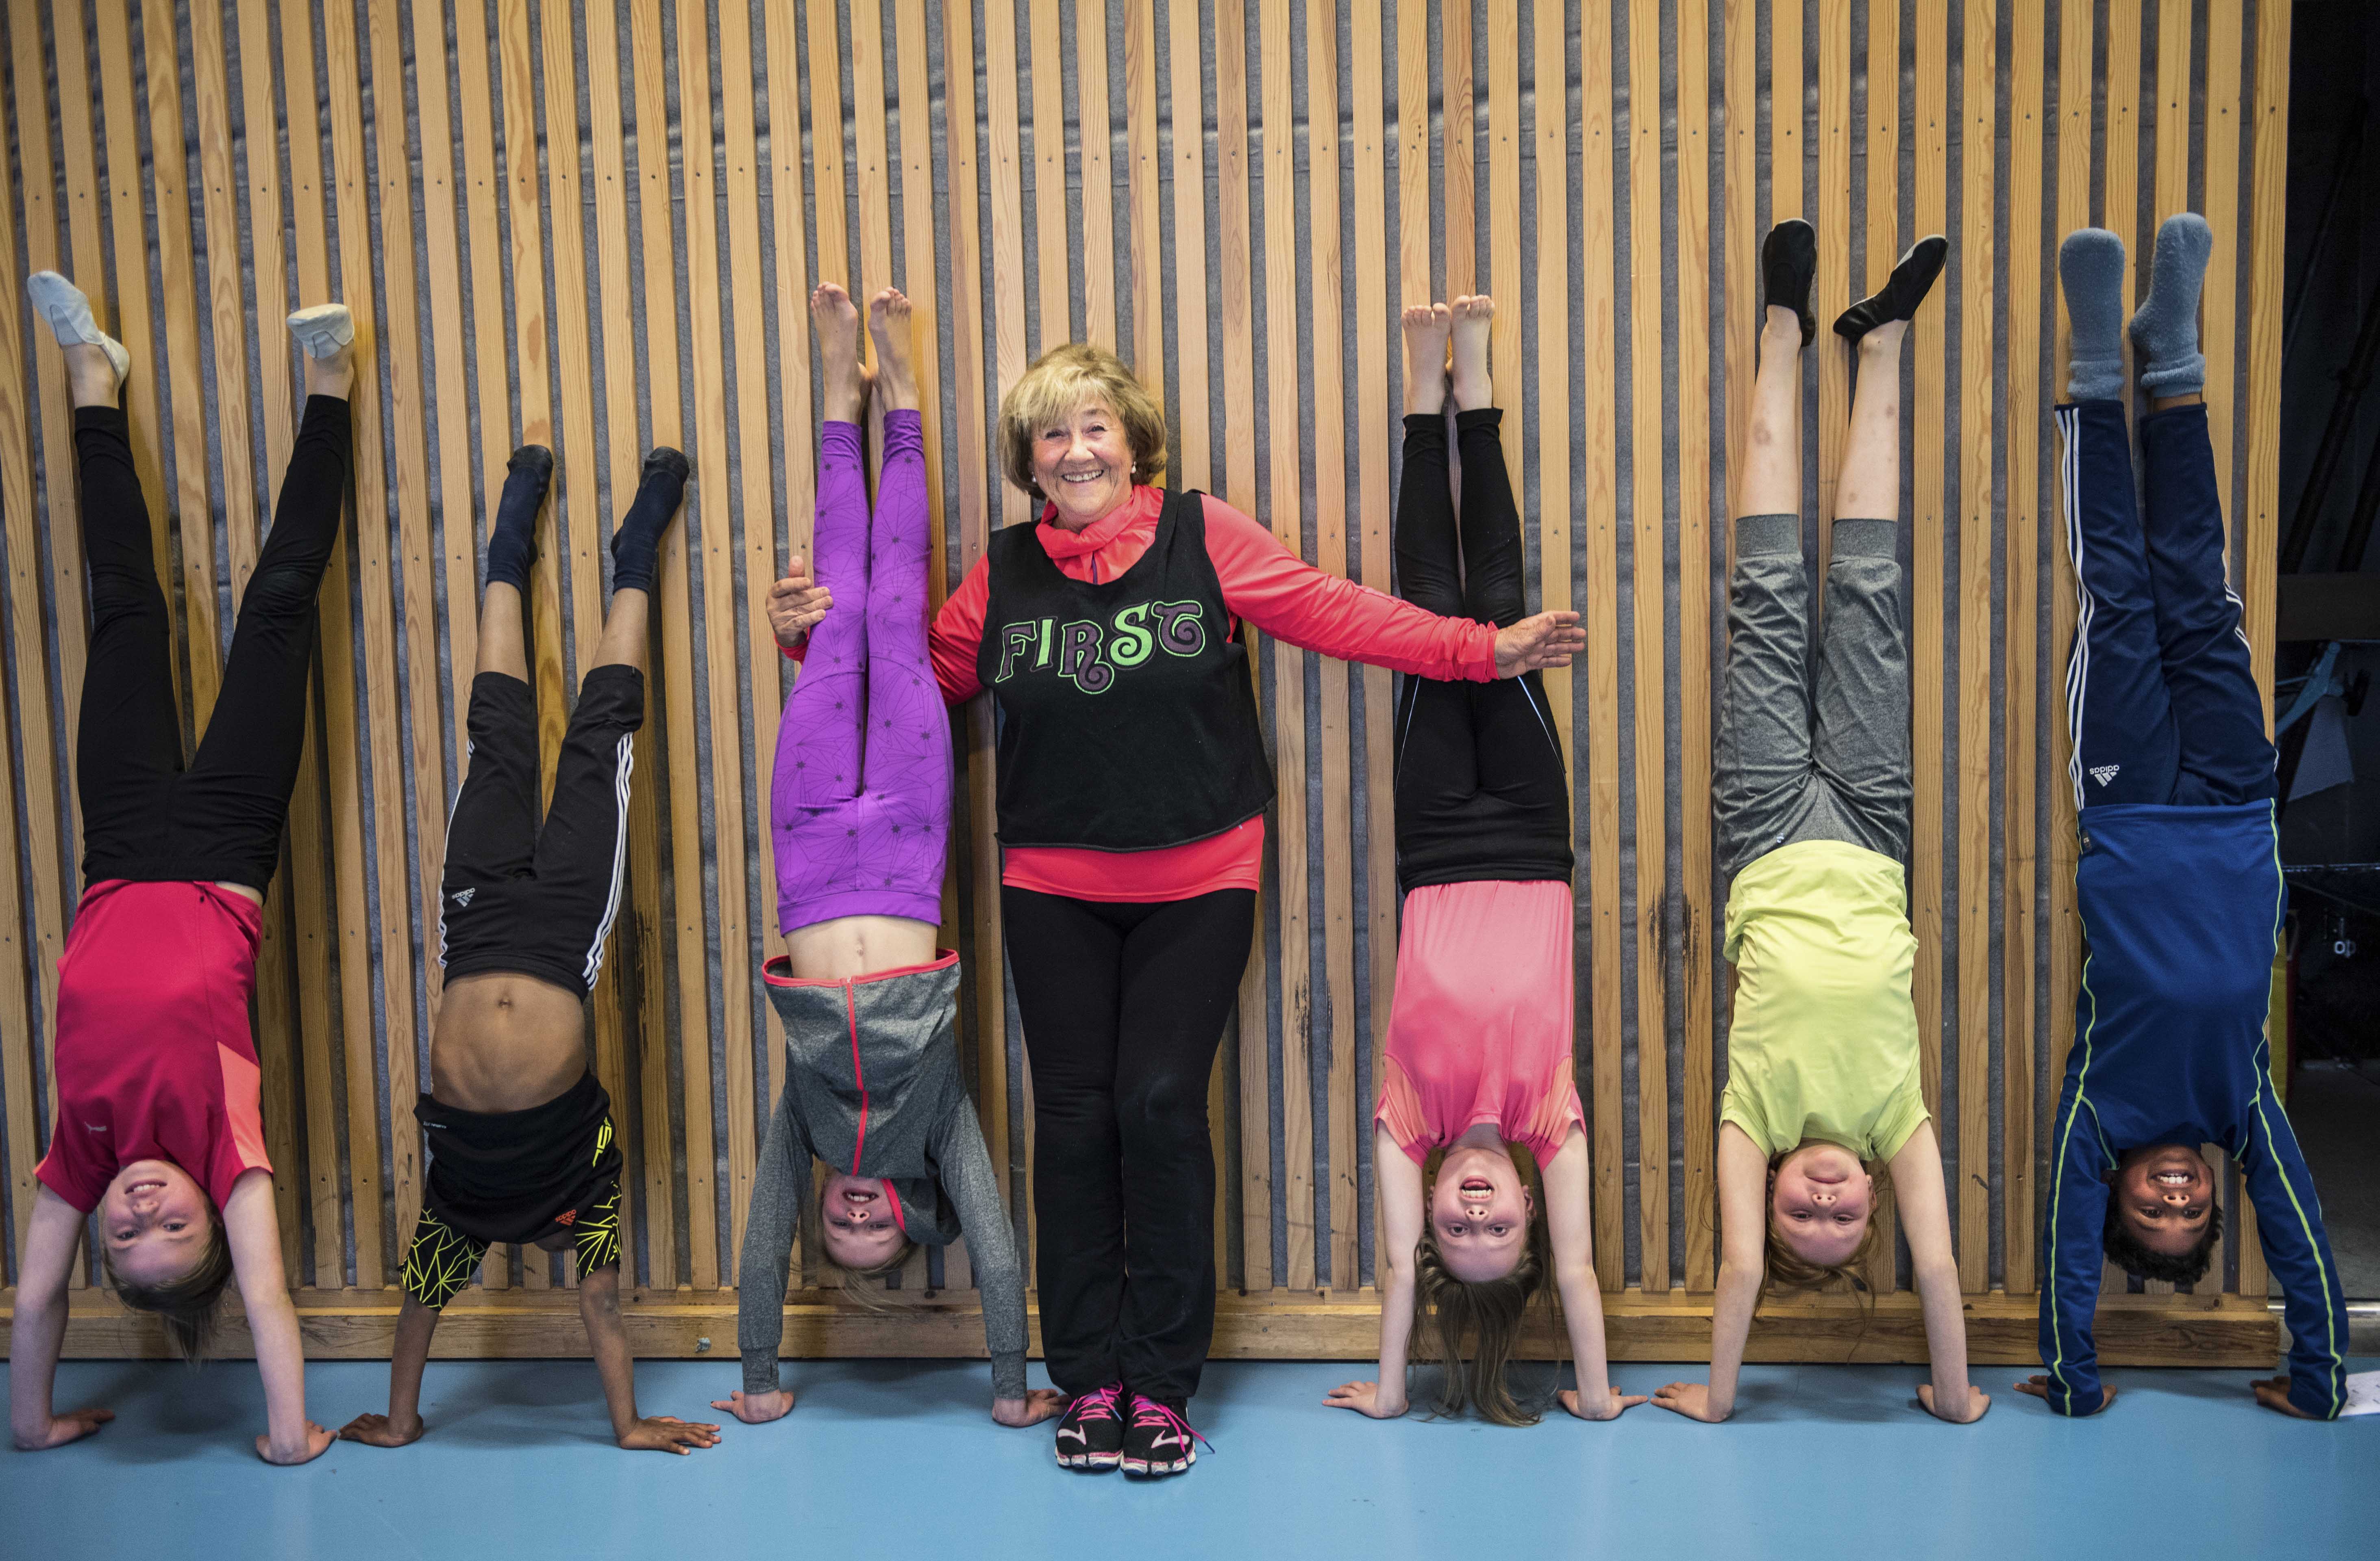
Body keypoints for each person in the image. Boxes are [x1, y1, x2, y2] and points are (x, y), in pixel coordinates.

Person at [768, 330, 1584, 1478]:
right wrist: (809, 640)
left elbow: (1332, 611)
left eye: (1093, 425)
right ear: (1029, 461)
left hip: (1199, 875)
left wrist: (1476, 650)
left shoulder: (1204, 536)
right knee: (1073, 1122)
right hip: (1051, 882)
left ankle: (1158, 1384)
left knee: (1155, 1105)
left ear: (1132, 442)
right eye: (1051, 432)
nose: (1074, 447)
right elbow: (907, 692)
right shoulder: (999, 576)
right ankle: (1086, 1378)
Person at [9, 274, 355, 1464]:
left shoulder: (76, 1159)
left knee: (124, 612)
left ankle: (93, 386)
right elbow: (263, 1301)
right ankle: (331, 392)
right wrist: (291, 1432)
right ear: (214, 1211)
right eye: (171, 1228)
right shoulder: (230, 1151)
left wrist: (34, 1418)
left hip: (116, 849)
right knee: (277, 610)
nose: (140, 1210)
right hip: (221, 852)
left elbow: (39, 1298)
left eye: (125, 1237)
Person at [1650, 222, 1987, 1426]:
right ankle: (1884, 344)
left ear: (1777, 1189)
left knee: (1772, 591)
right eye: (1846, 1219)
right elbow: (1938, 1269)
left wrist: (1717, 1395)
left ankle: (1782, 331)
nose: (1830, 1203)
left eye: (1807, 1213)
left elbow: (1738, 1268)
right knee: (1866, 592)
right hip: (1870, 827)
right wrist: (1953, 1398)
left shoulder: (1752, 1119)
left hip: (1761, 829)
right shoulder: (1892, 1119)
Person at [2017, 217, 2349, 1421]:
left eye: (2147, 1214)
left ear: (2113, 1196)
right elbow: (2302, 1231)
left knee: (2116, 575)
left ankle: (2098, 361)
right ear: (2213, 1187)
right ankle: (2175, 360)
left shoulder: (2095, 1108)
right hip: (2232, 806)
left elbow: (2061, 1259)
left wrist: (2073, 1373)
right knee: (2196, 581)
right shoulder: (2237, 1101)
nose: (2168, 1201)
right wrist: (2316, 1380)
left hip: (2126, 804)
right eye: (2188, 1209)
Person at [718, 283, 1058, 1437]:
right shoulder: (932, 1126)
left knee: (839, 602)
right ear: (912, 1211)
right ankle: (897, 398)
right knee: (891, 610)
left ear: (822, 1202)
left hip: (812, 848)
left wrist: (761, 1372)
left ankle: (832, 400)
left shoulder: (804, 1127)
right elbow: (998, 1247)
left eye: (839, 1226)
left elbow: (761, 1243)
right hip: (909, 851)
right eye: (879, 1228)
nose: (858, 1215)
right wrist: (1010, 1383)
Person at [335, 431, 716, 1454]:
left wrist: (402, 1421)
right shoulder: (582, 1194)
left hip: (475, 929)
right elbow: (604, 1316)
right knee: (601, 735)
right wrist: (628, 1426)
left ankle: (510, 545)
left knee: (496, 733)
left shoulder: (450, 1216)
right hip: (560, 941)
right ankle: (638, 547)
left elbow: (418, 1316)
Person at [1323, 297, 1639, 1428]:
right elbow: (1575, 1276)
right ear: (1524, 1208)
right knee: (1497, 605)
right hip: (1524, 830)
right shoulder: (1545, 1118)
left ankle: (1424, 393)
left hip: (1434, 843)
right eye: (1491, 1227)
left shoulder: (1406, 1118)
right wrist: (1592, 1393)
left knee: (1425, 611)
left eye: (1453, 1227)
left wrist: (1396, 1391)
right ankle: (1481, 386)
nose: (1465, 1215)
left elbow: (1399, 1271)